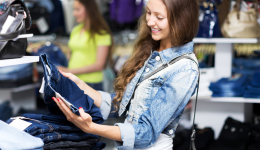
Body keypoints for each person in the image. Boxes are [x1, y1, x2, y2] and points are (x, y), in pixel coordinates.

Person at [53, 0, 199, 149]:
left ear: (182, 19)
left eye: (159, 17)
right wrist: (82, 86)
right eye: (148, 13)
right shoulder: (151, 52)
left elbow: (146, 133)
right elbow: (123, 104)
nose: (149, 22)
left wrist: (91, 128)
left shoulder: (185, 69)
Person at [58, 0, 113, 91]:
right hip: (72, 81)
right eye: (74, 9)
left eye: (77, 9)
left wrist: (68, 71)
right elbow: (71, 55)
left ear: (89, 9)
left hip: (91, 84)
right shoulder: (75, 30)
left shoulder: (101, 33)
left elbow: (99, 65)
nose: (74, 13)